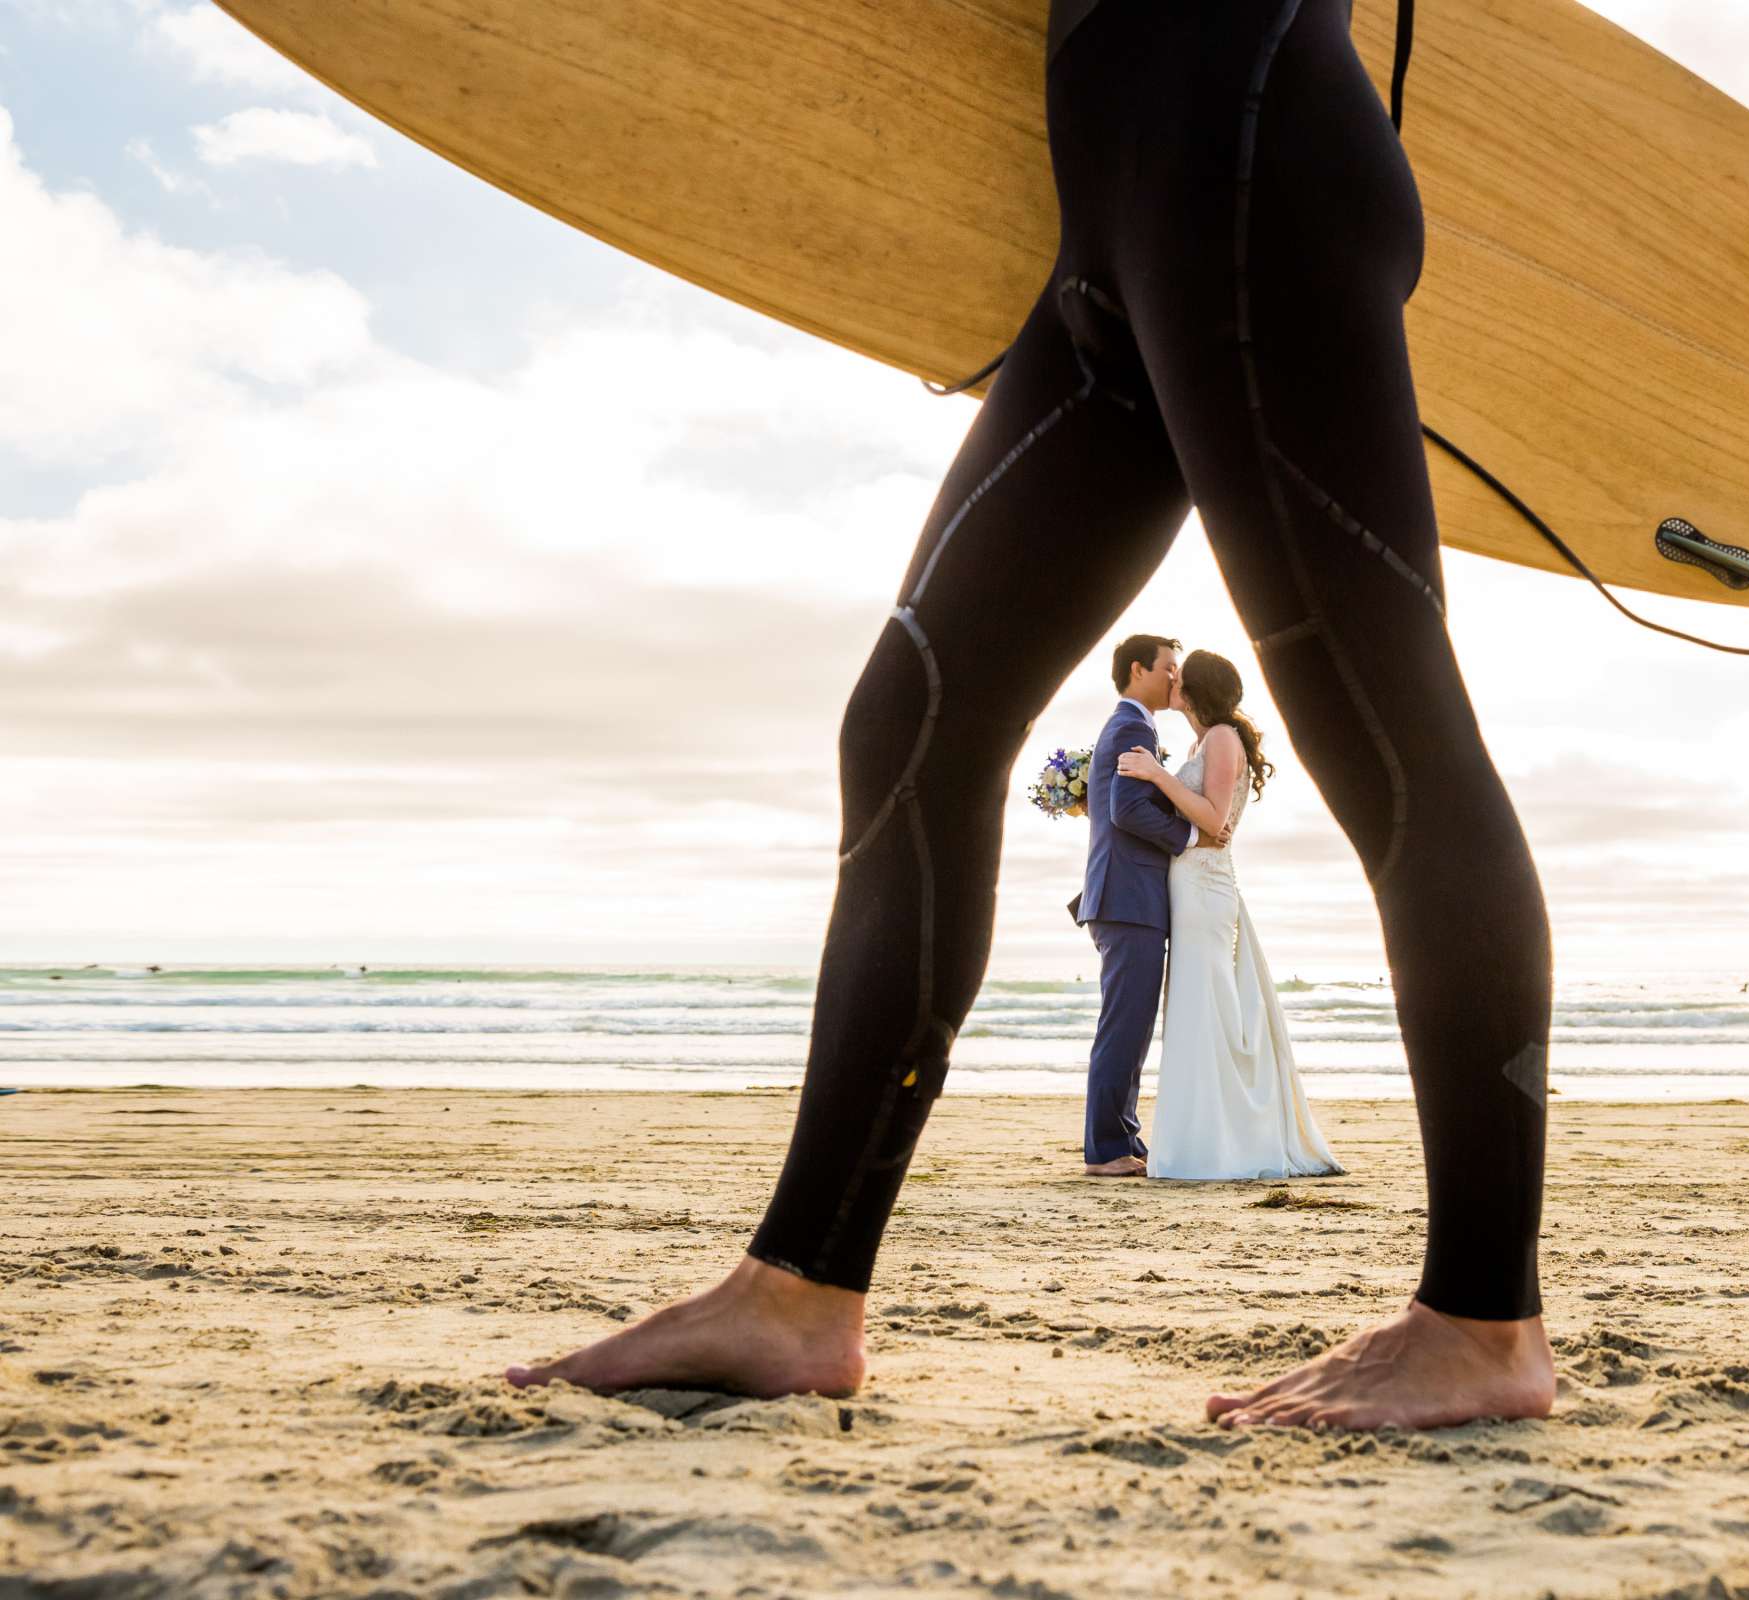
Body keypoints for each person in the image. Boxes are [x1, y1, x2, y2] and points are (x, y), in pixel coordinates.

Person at [508, 0, 1555, 1432]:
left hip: (1243, 158)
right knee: (908, 728)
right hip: (1116, 229)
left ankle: (1484, 1325)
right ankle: (798, 1292)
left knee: (1389, 736)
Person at [1116, 649, 1342, 1181]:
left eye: (1178, 674)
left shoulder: (1220, 738)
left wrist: (1157, 776)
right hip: (1189, 884)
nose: (1170, 678)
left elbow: (1216, 822)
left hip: (1205, 886)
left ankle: (1217, 1143)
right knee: (1197, 1008)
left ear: (1193, 690)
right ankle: (1203, 1135)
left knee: (1206, 1006)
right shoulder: (1202, 740)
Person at [1069, 634, 1211, 1178]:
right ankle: (1105, 1150)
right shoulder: (1131, 727)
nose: (1176, 677)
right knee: (1124, 1026)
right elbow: (1128, 812)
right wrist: (1192, 837)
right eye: (1169, 667)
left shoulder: (1133, 726)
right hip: (1128, 897)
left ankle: (1121, 1135)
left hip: (1126, 895)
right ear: (1137, 670)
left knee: (1131, 1023)